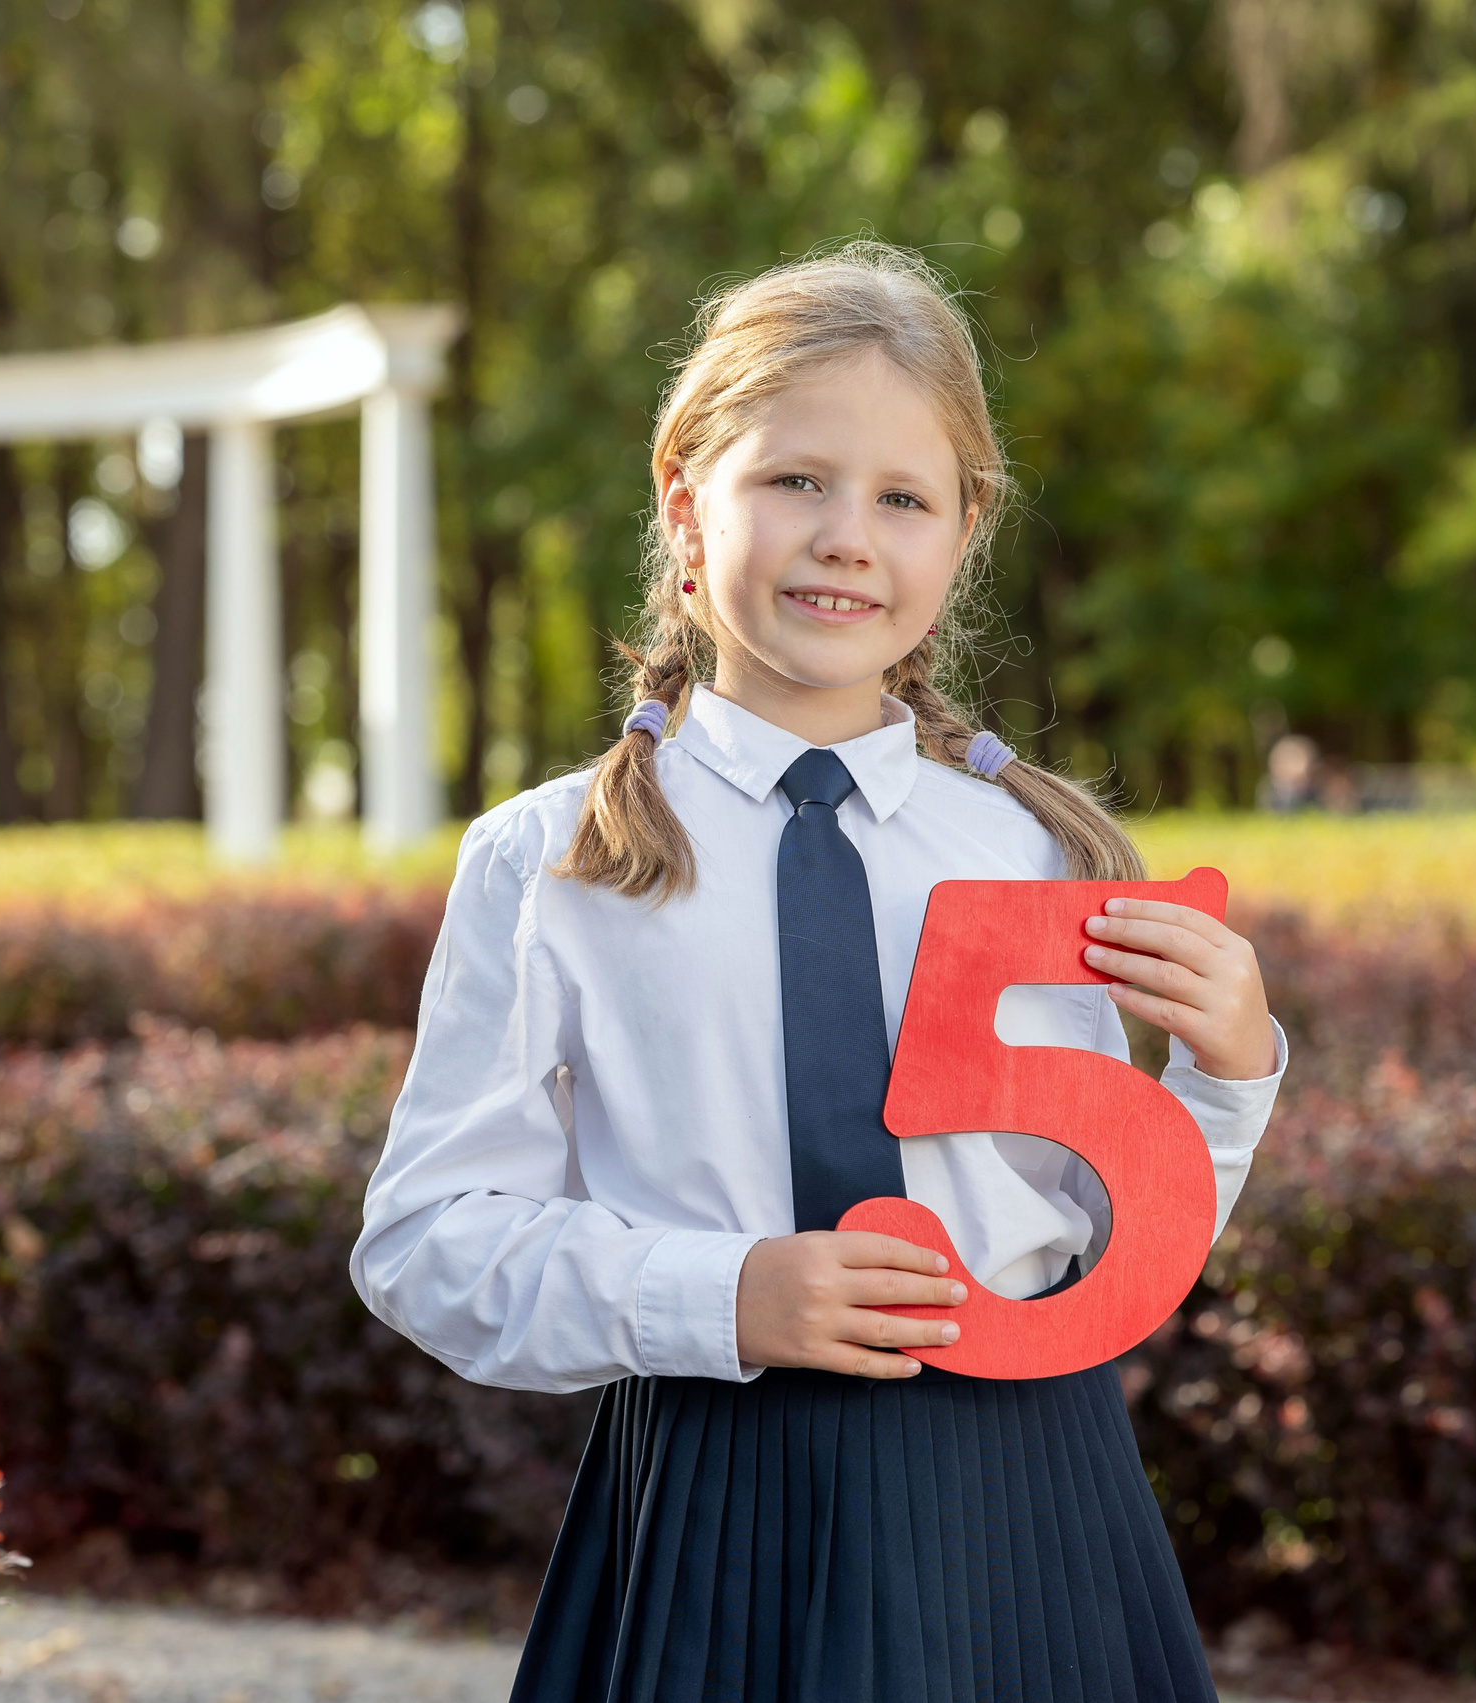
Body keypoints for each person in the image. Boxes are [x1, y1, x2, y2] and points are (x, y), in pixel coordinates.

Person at [352, 242, 1287, 1703]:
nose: (848, 536)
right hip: (718, 1497)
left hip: (1029, 1499)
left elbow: (1114, 1236)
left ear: (963, 534)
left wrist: (1231, 1075)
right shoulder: (551, 865)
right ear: (684, 499)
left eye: (903, 499)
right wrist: (718, 1295)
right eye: (796, 480)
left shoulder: (1042, 855)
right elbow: (426, 1241)